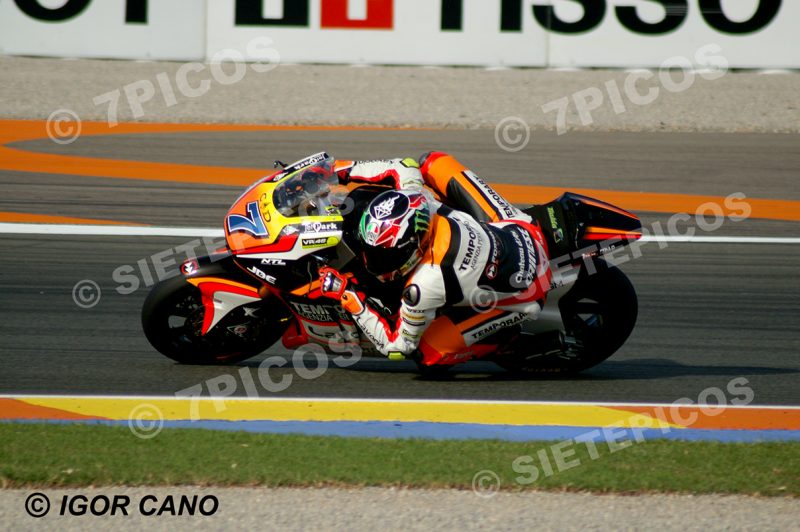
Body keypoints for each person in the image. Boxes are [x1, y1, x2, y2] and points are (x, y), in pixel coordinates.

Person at [318, 152, 552, 365]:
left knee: (427, 354)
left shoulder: (423, 286)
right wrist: (336, 171)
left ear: (413, 246)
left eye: (385, 254)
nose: (373, 261)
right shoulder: (418, 198)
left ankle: (502, 342)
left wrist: (347, 295)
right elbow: (404, 166)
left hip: (531, 287)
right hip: (521, 227)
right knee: (431, 161)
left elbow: (398, 347)